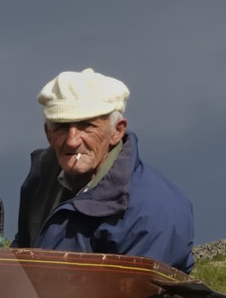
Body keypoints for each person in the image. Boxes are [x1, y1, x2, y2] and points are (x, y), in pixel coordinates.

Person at [13, 68, 195, 273]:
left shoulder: (152, 211)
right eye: (62, 126)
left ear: (117, 131)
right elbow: (23, 257)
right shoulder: (42, 181)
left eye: (86, 126)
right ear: (48, 133)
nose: (72, 141)